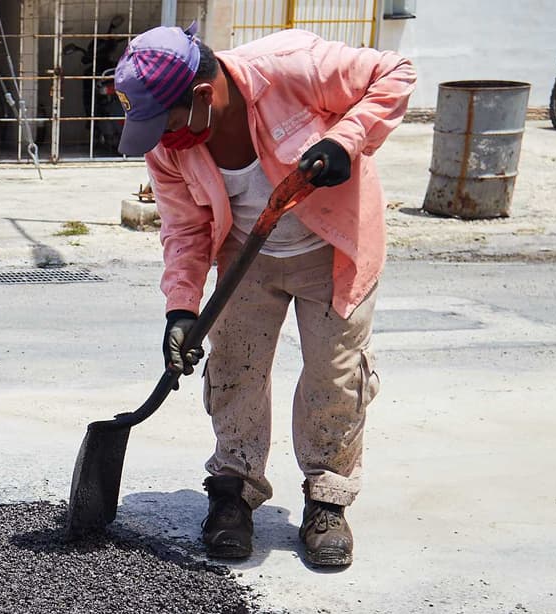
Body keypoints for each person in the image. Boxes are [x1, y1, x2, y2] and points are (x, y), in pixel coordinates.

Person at [113, 25, 415, 566]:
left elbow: (395, 72)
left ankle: (327, 499)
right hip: (245, 257)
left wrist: (347, 138)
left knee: (334, 377)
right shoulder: (168, 151)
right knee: (234, 370)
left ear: (202, 96)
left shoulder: (291, 66)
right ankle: (234, 489)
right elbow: (184, 230)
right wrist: (181, 308)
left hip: (332, 247)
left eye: (167, 122)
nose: (163, 137)